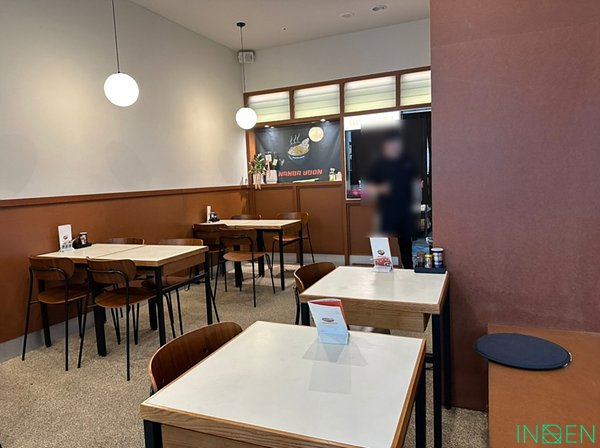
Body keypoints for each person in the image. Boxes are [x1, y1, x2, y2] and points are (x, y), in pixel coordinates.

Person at [364, 128, 421, 269]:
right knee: (382, 242)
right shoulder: (379, 164)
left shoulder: (407, 161)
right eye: (390, 144)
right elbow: (368, 188)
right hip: (386, 209)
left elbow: (417, 182)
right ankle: (383, 268)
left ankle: (408, 269)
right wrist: (382, 189)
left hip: (404, 208)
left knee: (405, 242)